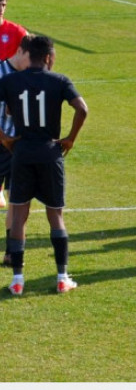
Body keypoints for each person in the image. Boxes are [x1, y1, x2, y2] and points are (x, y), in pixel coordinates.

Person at [0, 35, 88, 295]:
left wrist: (4, 138)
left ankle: (17, 281)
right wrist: (70, 139)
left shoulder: (10, 81)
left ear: (28, 54)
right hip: (50, 152)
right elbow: (82, 109)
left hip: (22, 152)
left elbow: (5, 111)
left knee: (18, 214)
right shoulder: (59, 81)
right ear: (49, 57)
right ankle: (62, 277)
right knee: (55, 215)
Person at [0, 35, 31, 267]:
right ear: (20, 52)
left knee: (16, 200)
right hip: (3, 141)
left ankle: (11, 251)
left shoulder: (30, 77)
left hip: (17, 146)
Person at [0, 0, 28, 209]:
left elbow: (35, 51)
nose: (0, 10)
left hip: (10, 90)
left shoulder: (16, 31)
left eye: (3, 6)